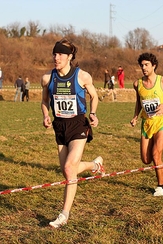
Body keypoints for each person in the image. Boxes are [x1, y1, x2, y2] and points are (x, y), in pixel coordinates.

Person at [41, 38, 104, 228]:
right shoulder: (47, 78)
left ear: (69, 57)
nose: (56, 57)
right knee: (68, 171)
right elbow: (44, 101)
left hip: (78, 124)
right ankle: (95, 165)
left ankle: (64, 215)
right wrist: (46, 115)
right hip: (60, 127)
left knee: (69, 168)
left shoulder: (82, 76)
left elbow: (94, 96)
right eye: (54, 53)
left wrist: (93, 113)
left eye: (60, 54)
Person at [130, 53, 163, 196]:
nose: (143, 68)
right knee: (146, 160)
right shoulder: (137, 84)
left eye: (146, 65)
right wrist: (135, 116)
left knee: (156, 155)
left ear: (154, 66)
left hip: (161, 121)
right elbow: (138, 102)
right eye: (142, 65)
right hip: (147, 123)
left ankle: (161, 187)